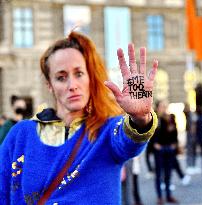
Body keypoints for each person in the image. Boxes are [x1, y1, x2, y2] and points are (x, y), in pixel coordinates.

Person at [0, 31, 158, 205]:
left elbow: (128, 140)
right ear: (50, 85)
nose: (72, 85)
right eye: (61, 77)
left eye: (79, 74)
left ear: (90, 77)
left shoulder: (106, 132)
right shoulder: (21, 135)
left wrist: (140, 118)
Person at [153, 101, 178, 205]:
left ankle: (168, 195)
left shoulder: (171, 118)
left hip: (169, 149)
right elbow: (150, 134)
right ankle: (159, 197)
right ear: (158, 108)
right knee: (159, 174)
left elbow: (175, 132)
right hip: (159, 150)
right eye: (162, 106)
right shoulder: (155, 119)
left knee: (168, 174)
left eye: (166, 106)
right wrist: (155, 144)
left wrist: (174, 144)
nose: (164, 108)